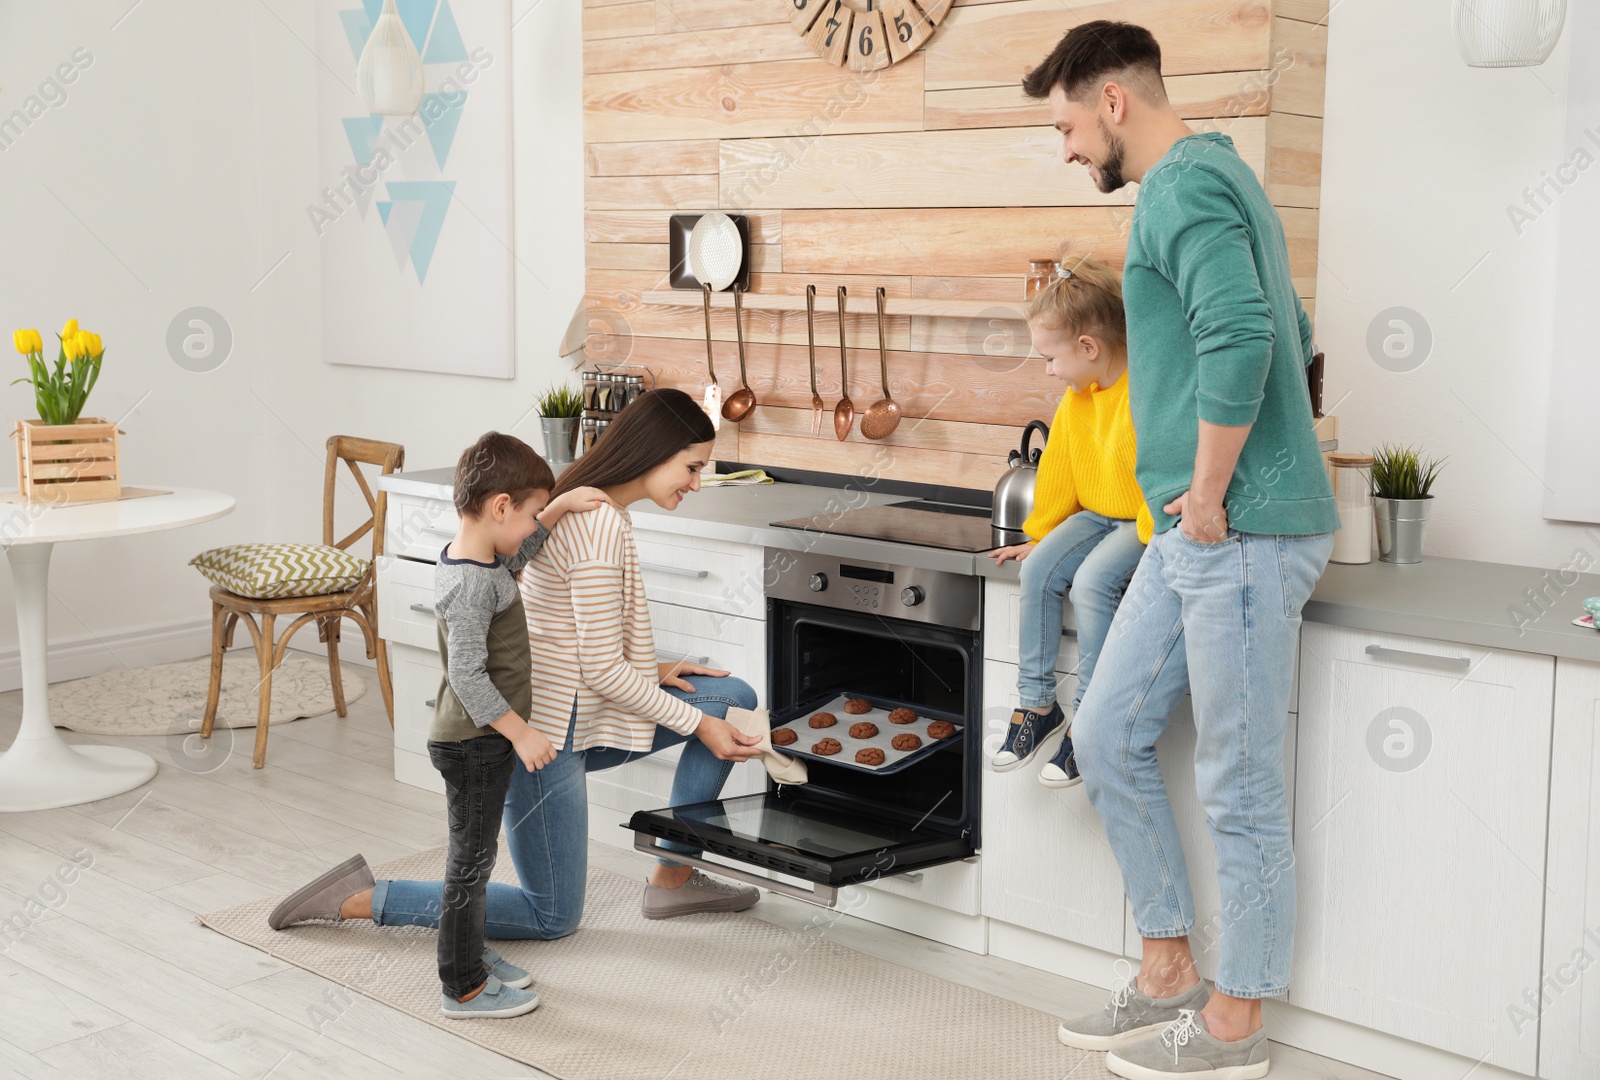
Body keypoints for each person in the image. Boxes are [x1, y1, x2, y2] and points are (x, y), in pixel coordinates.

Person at [1023, 21, 1337, 1079]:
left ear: (1112, 100)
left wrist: (1211, 486)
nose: (1066, 149)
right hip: (1191, 530)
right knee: (1105, 732)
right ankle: (1167, 968)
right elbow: (1289, 329)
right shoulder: (1217, 176)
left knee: (1237, 784)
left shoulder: (1180, 187)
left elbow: (1246, 334)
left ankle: (1235, 1028)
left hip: (1234, 529)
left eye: (1066, 125)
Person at [268, 391, 766, 959]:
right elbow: (600, 669)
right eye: (693, 467)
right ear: (655, 454)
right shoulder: (598, 519)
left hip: (574, 707)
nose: (698, 483)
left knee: (730, 696)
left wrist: (655, 670)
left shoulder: (585, 507)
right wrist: (697, 724)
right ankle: (363, 896)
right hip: (542, 736)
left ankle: (672, 879)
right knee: (551, 915)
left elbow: (564, 635)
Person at [988, 258, 1152, 789]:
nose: (1049, 370)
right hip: (1098, 514)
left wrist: (1157, 539)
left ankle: (1088, 720)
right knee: (1036, 572)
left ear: (1088, 348)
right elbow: (1057, 466)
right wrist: (1040, 535)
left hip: (1139, 521)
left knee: (1093, 581)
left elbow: (1167, 469)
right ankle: (1037, 708)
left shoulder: (1146, 390)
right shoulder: (1077, 398)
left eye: (1050, 358)